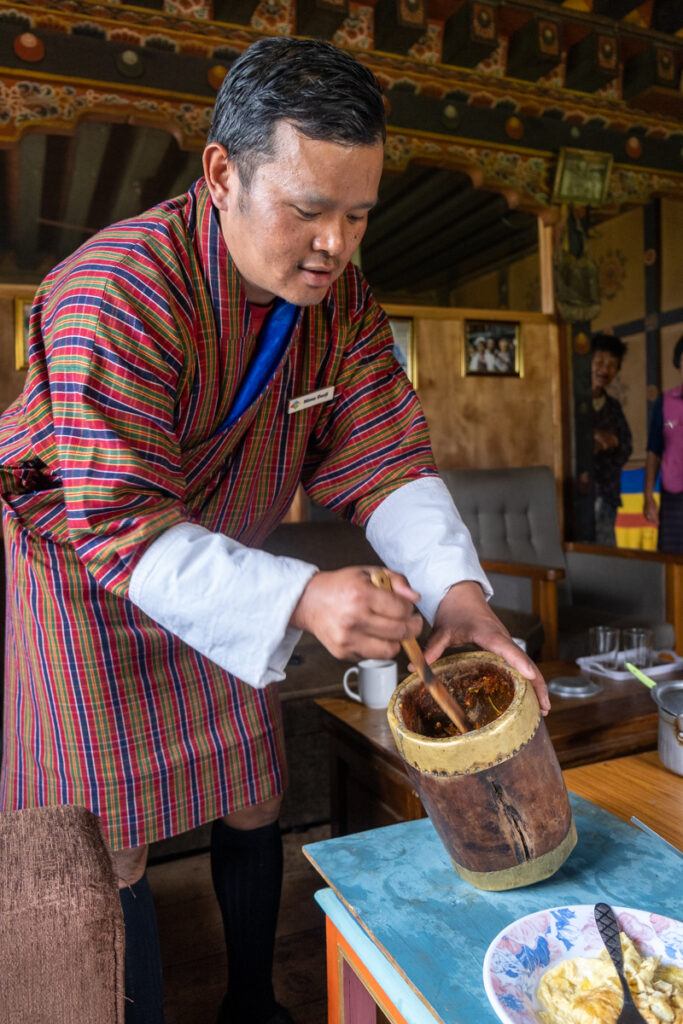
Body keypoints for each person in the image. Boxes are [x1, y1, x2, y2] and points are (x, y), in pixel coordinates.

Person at [0, 37, 548, 1024]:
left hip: (231, 567)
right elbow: (119, 522)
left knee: (251, 783)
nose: (336, 243)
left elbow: (383, 450)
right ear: (221, 173)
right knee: (108, 832)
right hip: (87, 580)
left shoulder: (337, 302)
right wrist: (299, 594)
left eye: (357, 214)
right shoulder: (115, 291)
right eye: (308, 208)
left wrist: (460, 597)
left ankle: (253, 999)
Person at [579, 333, 632, 545]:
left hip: (607, 494)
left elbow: (627, 447)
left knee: (606, 553)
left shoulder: (614, 407)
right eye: (599, 362)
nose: (604, 370)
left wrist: (613, 442)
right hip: (576, 497)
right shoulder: (571, 400)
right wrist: (594, 437)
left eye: (612, 365)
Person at [644, 335, 683, 552]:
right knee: (673, 565)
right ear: (679, 365)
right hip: (674, 496)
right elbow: (654, 450)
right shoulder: (666, 401)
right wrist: (648, 495)